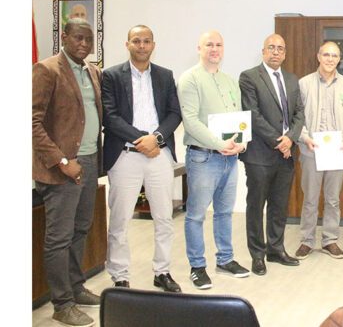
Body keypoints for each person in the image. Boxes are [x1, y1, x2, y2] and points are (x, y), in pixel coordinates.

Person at [101, 25, 182, 292]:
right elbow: (110, 117)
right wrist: (142, 140)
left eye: (147, 41)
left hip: (159, 154)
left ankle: (162, 272)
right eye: (136, 41)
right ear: (127, 44)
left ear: (153, 45)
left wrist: (155, 138)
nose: (142, 45)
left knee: (164, 218)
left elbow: (174, 113)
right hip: (125, 155)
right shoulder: (111, 75)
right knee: (120, 220)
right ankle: (120, 276)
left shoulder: (165, 76)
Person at [32, 18, 102, 327]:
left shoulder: (92, 71)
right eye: (78, 38)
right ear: (64, 37)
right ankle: (62, 304)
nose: (84, 44)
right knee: (59, 238)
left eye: (88, 39)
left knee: (81, 229)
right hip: (62, 169)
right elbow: (32, 122)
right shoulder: (47, 70)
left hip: (89, 162)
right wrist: (62, 161)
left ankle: (76, 287)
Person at [177, 31, 249, 290]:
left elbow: (239, 117)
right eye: (209, 44)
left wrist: (242, 142)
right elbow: (190, 121)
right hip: (203, 157)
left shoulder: (230, 81)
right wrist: (220, 144)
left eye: (219, 44)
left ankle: (225, 259)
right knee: (196, 215)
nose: (214, 49)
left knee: (224, 212)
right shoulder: (189, 79)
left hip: (230, 158)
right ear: (199, 48)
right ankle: (197, 267)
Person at [239, 34, 305, 275]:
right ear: (263, 51)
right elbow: (252, 114)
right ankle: (257, 255)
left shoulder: (292, 79)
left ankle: (276, 249)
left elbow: (300, 114)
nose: (276, 52)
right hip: (260, 154)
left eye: (280, 49)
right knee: (256, 206)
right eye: (271, 48)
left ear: (285, 54)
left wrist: (291, 139)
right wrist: (280, 141)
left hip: (286, 155)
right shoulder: (249, 77)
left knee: (279, 205)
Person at [295, 41, 343, 260]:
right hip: (311, 150)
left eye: (334, 56)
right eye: (326, 55)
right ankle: (307, 241)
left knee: (333, 199)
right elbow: (296, 116)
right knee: (310, 199)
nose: (330, 59)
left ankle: (330, 240)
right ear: (318, 56)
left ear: (339, 59)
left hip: (337, 150)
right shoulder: (304, 84)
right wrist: (305, 137)